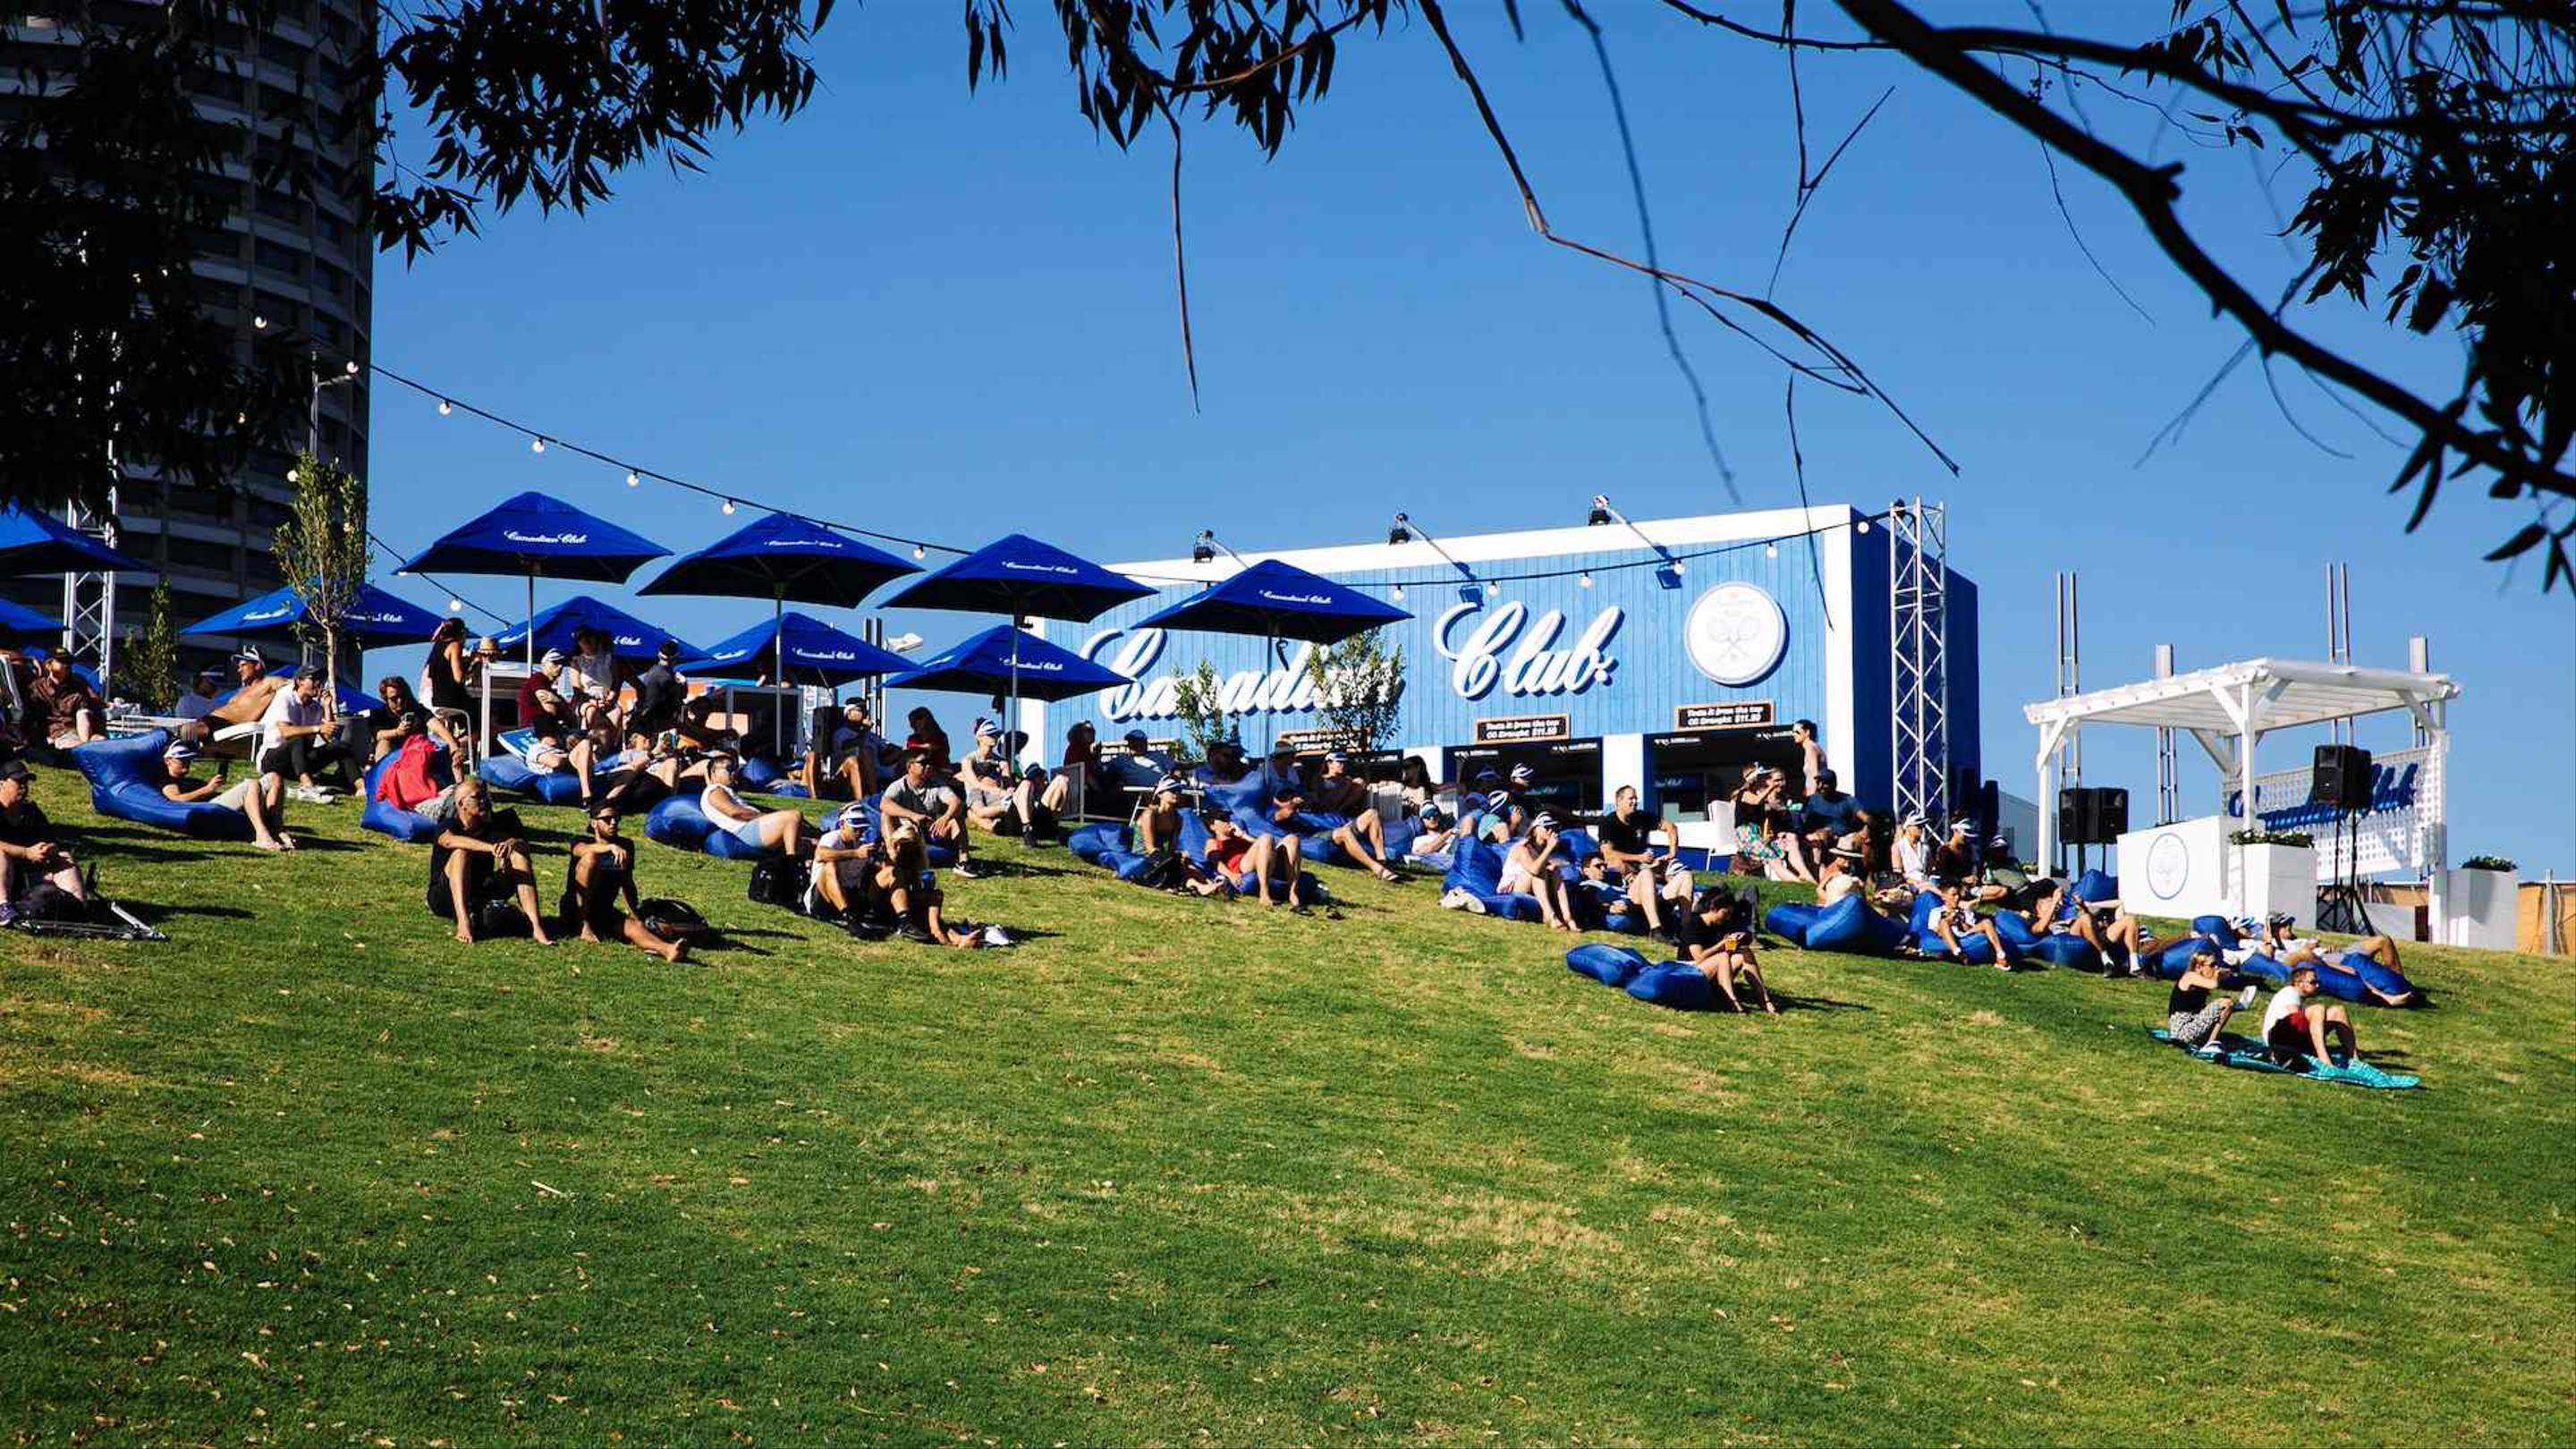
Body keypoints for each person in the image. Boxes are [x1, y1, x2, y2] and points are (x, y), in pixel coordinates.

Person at [427, 777, 554, 945]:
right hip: (444, 896)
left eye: (485, 796)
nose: (484, 801)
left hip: (482, 890)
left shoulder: (500, 821)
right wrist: (490, 848)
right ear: (461, 804)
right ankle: (463, 922)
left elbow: (523, 846)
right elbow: (449, 841)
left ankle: (536, 926)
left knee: (518, 854)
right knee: (461, 853)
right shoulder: (450, 825)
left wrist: (511, 844)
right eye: (477, 797)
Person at [559, 801, 690, 962]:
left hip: (603, 911)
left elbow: (627, 883)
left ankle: (669, 950)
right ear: (593, 823)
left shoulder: (626, 846)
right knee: (590, 859)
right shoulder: (581, 840)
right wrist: (609, 848)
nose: (613, 822)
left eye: (616, 818)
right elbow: (580, 851)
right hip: (573, 908)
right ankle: (582, 924)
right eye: (607, 819)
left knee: (635, 927)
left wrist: (636, 915)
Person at [160, 740, 294, 851]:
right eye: (181, 760)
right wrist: (208, 789)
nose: (186, 762)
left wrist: (215, 789)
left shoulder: (189, 780)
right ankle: (262, 836)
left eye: (188, 759)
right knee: (251, 784)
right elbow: (177, 800)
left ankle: (278, 830)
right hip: (207, 810)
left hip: (215, 803)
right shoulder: (168, 780)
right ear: (168, 761)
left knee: (274, 777)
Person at [0, 758, 88, 919]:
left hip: (26, 874)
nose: (24, 787)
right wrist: (26, 852)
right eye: (18, 781)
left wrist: (49, 850)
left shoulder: (31, 812)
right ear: (2, 783)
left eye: (26, 782)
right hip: (4, 873)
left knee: (65, 858)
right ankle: (3, 907)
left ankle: (77, 907)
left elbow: (52, 841)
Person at [1672, 887, 1779, 1014]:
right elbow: (1699, 957)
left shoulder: (1721, 925)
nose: (1727, 918)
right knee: (1722, 956)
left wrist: (1740, 940)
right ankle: (1731, 1001)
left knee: (1745, 953)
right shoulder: (1693, 925)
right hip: (1690, 971)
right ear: (1713, 908)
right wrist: (1723, 944)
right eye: (1725, 913)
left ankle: (1764, 999)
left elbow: (1729, 951)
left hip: (1717, 968)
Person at [1308, 750, 1404, 883]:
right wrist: (1345, 788)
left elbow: (1357, 802)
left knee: (1372, 813)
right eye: (1339, 762)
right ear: (1329, 763)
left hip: (1344, 819)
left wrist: (1350, 789)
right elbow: (1323, 804)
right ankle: (1377, 869)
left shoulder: (1348, 782)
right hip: (1328, 823)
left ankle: (1382, 859)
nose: (1343, 765)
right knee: (1345, 825)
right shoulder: (1321, 780)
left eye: (1344, 763)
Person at [881, 746, 977, 878]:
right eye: (923, 763)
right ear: (910, 767)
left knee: (957, 816)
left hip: (930, 830)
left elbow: (956, 802)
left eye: (929, 763)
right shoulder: (899, 786)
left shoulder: (936, 784)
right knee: (886, 815)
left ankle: (963, 862)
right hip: (907, 832)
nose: (928, 766)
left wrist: (945, 818)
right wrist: (913, 816)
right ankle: (892, 856)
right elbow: (884, 804)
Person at [699, 752, 812, 856]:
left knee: (813, 843)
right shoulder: (714, 790)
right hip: (744, 830)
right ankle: (792, 862)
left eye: (735, 769)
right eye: (729, 769)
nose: (733, 773)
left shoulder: (724, 790)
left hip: (750, 828)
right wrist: (764, 817)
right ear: (713, 772)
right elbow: (734, 813)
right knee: (793, 817)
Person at [2260, 965, 2367, 1069]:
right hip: (2277, 1039)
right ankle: (2323, 1057)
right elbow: (2295, 1019)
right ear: (2299, 983)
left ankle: (2354, 1057)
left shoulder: (2297, 997)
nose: (2317, 986)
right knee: (2318, 1009)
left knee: (2338, 1011)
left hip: (2292, 1037)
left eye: (2317, 982)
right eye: (2313, 982)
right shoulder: (2290, 992)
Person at [1197, 806, 1303, 906]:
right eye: (1223, 819)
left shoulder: (1241, 837)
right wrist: (1231, 875)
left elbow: (1267, 847)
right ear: (1212, 826)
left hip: (1266, 863)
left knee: (1292, 839)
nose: (1228, 822)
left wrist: (1244, 836)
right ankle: (1264, 893)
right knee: (1266, 837)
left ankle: (1293, 892)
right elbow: (1216, 862)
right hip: (1242, 866)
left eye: (1228, 818)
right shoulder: (1213, 841)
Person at [2165, 945, 2259, 1054]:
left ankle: (2234, 1009)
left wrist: (2229, 971)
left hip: (2194, 1025)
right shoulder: (2190, 976)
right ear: (2199, 967)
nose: (2215, 968)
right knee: (2225, 1002)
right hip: (2182, 1031)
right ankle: (2210, 1043)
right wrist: (2217, 975)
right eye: (2212, 965)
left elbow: (2225, 978)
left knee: (2236, 1039)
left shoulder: (2200, 981)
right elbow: (2213, 984)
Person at [1501, 812, 1580, 933]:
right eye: (1546, 827)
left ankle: (1568, 917)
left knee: (1554, 871)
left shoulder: (1541, 850)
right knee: (1539, 870)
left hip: (1534, 888)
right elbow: (1534, 869)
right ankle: (1549, 914)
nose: (1550, 831)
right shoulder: (1522, 848)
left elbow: (1557, 864)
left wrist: (1556, 863)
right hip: (1512, 890)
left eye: (1552, 828)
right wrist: (1549, 848)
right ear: (1535, 830)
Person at [374, 710, 460, 821]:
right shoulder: (419, 755)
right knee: (463, 799)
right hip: (426, 804)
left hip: (431, 799)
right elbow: (416, 796)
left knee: (466, 793)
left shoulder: (403, 762)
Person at [801, 699, 886, 800]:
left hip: (877, 770)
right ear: (849, 712)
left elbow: (887, 747)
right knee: (856, 758)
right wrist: (865, 731)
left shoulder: (871, 736)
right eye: (859, 710)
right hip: (843, 775)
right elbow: (849, 746)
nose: (864, 713)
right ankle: (865, 799)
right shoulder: (842, 733)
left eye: (865, 710)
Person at [1926, 877, 2012, 970]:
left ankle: (2000, 955)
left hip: (1964, 934)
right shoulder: (1936, 912)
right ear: (1944, 896)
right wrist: (1950, 921)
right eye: (1953, 895)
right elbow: (1936, 931)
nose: (1957, 898)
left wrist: (1961, 921)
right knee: (1944, 922)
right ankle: (1958, 953)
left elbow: (1970, 928)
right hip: (1949, 937)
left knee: (1987, 922)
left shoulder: (1965, 910)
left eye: (1958, 895)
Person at [1593, 784, 1677, 879]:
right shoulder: (1608, 823)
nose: (1635, 802)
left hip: (1645, 864)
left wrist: (1672, 853)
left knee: (1677, 872)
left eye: (1636, 798)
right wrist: (1639, 857)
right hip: (1626, 867)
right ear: (1619, 801)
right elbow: (1608, 854)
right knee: (1617, 864)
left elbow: (1671, 827)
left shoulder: (1641, 817)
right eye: (1631, 799)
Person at [419, 618, 479, 749]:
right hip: (452, 700)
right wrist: (471, 663)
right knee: (481, 721)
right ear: (461, 632)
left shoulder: (437, 646)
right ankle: (456, 746)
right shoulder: (455, 645)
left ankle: (454, 742)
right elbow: (459, 677)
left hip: (438, 699)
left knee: (468, 719)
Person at [28, 653, 106, 750]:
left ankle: (85, 747)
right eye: (61, 662)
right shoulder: (37, 687)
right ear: (48, 665)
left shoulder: (78, 683)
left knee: (99, 739)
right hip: (57, 732)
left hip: (80, 729)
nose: (66, 665)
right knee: (76, 745)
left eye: (69, 662)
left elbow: (94, 701)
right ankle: (83, 749)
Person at [517, 649, 580, 766]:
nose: (560, 666)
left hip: (543, 733)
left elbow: (571, 718)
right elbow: (550, 710)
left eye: (562, 663)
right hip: (536, 733)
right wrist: (562, 706)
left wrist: (559, 702)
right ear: (544, 664)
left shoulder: (551, 690)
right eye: (555, 663)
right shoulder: (538, 678)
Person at [561, 626, 623, 726]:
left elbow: (616, 682)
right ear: (579, 643)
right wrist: (591, 700)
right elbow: (577, 689)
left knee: (617, 713)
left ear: (596, 639)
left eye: (589, 637)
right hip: (585, 700)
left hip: (607, 699)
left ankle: (612, 742)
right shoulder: (576, 662)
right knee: (592, 712)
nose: (587, 641)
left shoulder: (609, 658)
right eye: (582, 639)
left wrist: (610, 698)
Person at [626, 640, 687, 739]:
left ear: (659, 654)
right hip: (654, 725)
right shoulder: (664, 676)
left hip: (649, 722)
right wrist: (683, 682)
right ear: (676, 658)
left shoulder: (657, 672)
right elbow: (682, 695)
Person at [1798, 768, 1860, 858]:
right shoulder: (1810, 801)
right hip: (1820, 838)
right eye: (1818, 783)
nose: (1820, 786)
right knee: (1818, 839)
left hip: (1843, 838)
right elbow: (1803, 822)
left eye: (1824, 783)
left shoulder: (1847, 799)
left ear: (1834, 784)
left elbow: (1864, 816)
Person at [1105, 728, 1171, 789]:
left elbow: (1176, 768)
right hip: (1132, 795)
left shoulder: (1159, 756)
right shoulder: (1121, 760)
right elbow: (1104, 770)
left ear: (1145, 743)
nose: (1132, 744)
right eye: (1130, 742)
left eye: (1135, 741)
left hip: (1159, 793)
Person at [900, 707, 952, 775]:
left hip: (939, 769)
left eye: (917, 720)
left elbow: (942, 751)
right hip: (916, 769)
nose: (913, 724)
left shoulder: (940, 736)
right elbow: (910, 749)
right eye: (912, 722)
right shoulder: (913, 738)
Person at [1893, 812, 1935, 893]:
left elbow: (1929, 868)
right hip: (1908, 884)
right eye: (1918, 826)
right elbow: (1898, 874)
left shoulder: (1925, 847)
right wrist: (1915, 882)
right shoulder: (1898, 846)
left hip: (1926, 883)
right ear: (1908, 828)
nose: (1921, 829)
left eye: (1922, 826)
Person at [1792, 718, 1827, 797]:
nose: (1794, 734)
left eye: (1797, 732)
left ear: (1807, 732)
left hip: (1815, 795)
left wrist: (1813, 797)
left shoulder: (1810, 748)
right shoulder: (1811, 747)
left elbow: (1815, 774)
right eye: (1793, 732)